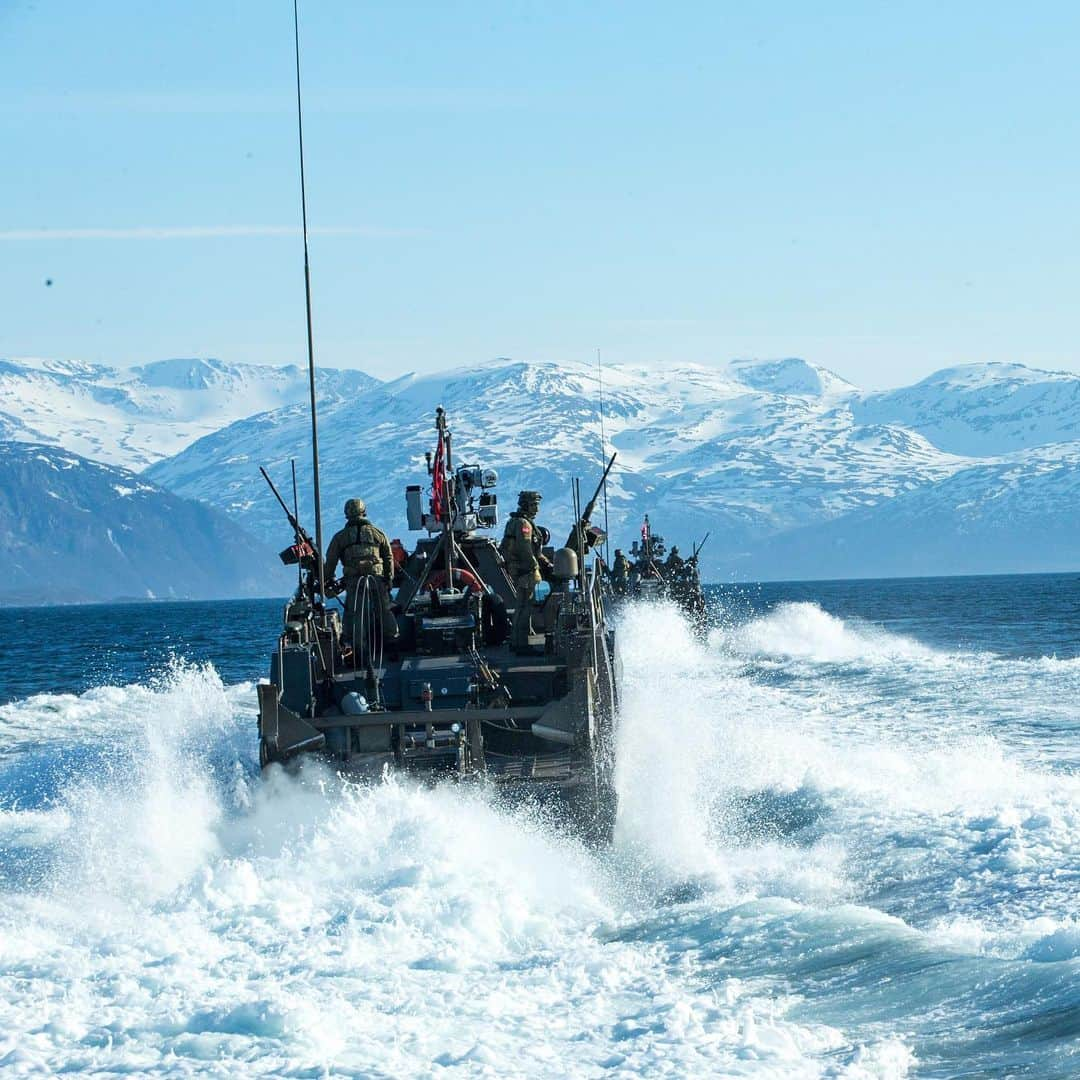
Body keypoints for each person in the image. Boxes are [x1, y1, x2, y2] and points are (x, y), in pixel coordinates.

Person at [325, 498, 399, 656]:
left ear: (347, 514)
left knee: (355, 613)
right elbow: (388, 556)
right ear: (364, 511)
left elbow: (331, 560)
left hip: (354, 582)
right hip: (377, 579)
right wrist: (389, 578)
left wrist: (327, 579)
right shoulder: (378, 533)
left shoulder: (340, 537)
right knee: (384, 610)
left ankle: (356, 648)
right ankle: (392, 642)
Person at [499, 490, 548, 651]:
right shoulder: (523, 524)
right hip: (524, 570)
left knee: (522, 604)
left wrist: (545, 562)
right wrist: (534, 567)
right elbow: (525, 549)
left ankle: (522, 636)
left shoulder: (515, 522)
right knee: (526, 605)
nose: (537, 509)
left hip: (519, 569)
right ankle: (521, 641)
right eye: (534, 505)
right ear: (526, 505)